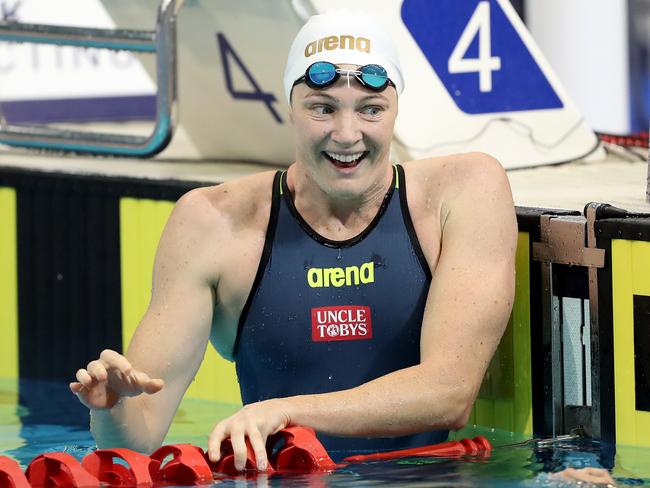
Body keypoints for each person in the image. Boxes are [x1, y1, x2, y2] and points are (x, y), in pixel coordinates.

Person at [69, 10, 518, 471]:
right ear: (289, 107)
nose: (347, 135)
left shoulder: (464, 191)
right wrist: (111, 410)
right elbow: (136, 442)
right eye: (322, 108)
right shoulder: (213, 224)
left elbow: (449, 393)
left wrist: (285, 410)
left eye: (370, 109)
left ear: (395, 109)